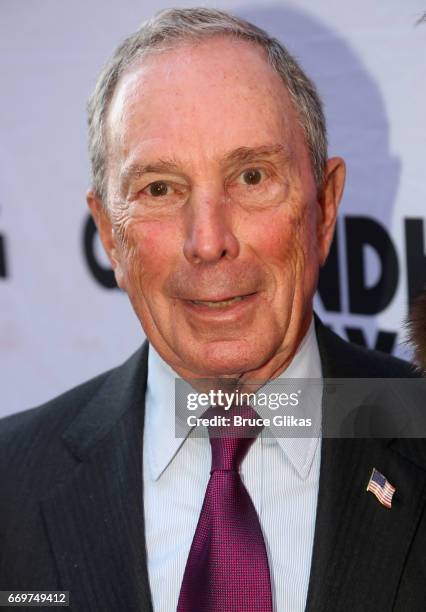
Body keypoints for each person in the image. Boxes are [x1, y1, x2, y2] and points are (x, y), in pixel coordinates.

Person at [0, 8, 424, 612]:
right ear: (109, 236)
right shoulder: (10, 484)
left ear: (325, 208)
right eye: (160, 189)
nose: (208, 241)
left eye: (251, 177)